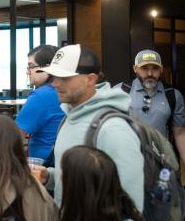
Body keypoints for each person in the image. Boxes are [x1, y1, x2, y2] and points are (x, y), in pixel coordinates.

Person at [36, 44, 144, 211]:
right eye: (54, 76)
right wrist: (50, 176)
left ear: (91, 79)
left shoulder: (112, 128)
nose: (55, 83)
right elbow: (79, 178)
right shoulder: (68, 117)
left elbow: (131, 203)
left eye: (64, 78)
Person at [118, 50, 185, 161]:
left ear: (161, 69)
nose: (150, 73)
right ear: (135, 69)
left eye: (155, 68)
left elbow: (179, 133)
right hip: (129, 159)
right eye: (144, 68)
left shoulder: (173, 95)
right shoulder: (120, 91)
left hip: (162, 161)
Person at [15, 45, 65, 166]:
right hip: (63, 162)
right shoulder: (65, 91)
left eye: (31, 66)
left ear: (47, 68)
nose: (28, 72)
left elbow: (15, 136)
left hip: (42, 167)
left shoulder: (40, 96)